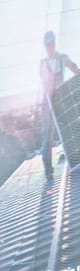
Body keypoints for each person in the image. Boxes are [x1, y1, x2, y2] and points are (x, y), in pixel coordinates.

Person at [43, 31, 80, 182]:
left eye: (51, 44)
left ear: (54, 43)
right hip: (49, 102)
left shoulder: (62, 58)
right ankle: (49, 172)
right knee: (47, 137)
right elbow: (44, 82)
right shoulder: (43, 63)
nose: (49, 47)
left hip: (63, 99)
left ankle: (75, 157)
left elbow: (74, 68)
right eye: (47, 45)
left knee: (71, 128)